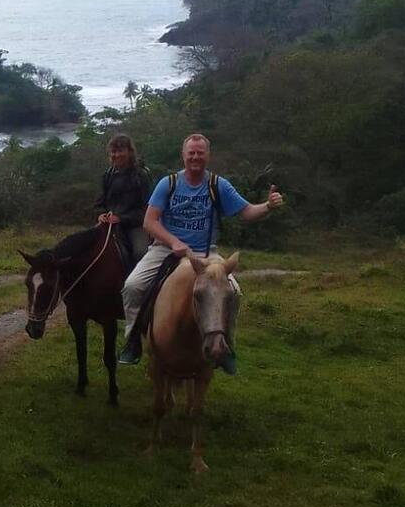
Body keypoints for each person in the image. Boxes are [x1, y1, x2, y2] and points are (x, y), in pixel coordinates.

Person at [118, 132, 284, 374]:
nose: (195, 157)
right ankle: (133, 340)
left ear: (207, 155)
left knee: (234, 292)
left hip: (206, 254)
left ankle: (227, 346)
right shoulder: (169, 183)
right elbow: (150, 222)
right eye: (191, 153)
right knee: (133, 286)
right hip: (166, 249)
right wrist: (174, 242)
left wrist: (267, 206)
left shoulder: (218, 185)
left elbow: (246, 212)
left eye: (200, 153)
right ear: (183, 156)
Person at [94, 133, 151, 266]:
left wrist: (122, 218)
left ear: (130, 152)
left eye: (120, 151)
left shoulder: (141, 175)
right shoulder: (108, 175)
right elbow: (100, 202)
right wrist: (100, 214)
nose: (117, 155)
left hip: (135, 226)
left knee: (140, 252)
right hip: (109, 224)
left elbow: (147, 208)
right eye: (113, 152)